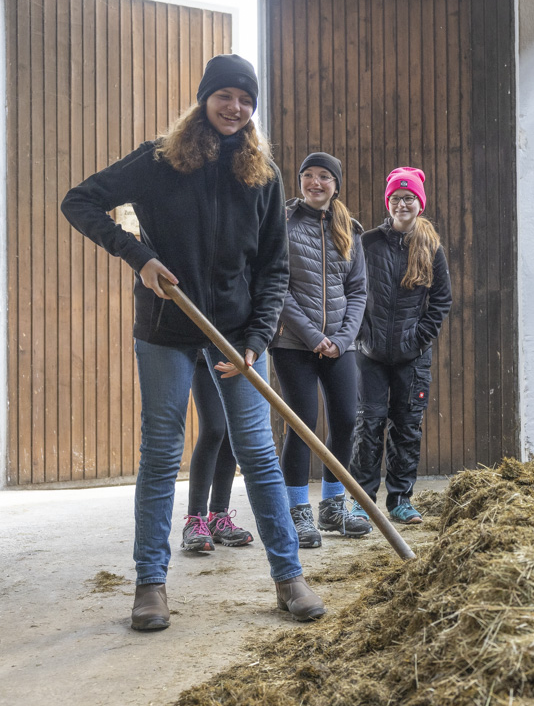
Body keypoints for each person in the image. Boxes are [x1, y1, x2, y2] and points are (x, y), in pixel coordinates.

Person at [61, 53, 324, 631]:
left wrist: (256, 339)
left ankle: (289, 576)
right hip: (167, 325)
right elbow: (78, 200)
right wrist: (140, 256)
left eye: (246, 99)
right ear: (205, 98)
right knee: (160, 451)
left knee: (256, 449)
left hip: (234, 334)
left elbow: (274, 270)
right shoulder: (160, 159)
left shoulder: (263, 174)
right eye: (225, 95)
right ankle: (149, 585)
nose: (235, 108)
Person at [270, 152, 371, 548]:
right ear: (299, 181)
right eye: (308, 175)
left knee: (346, 419)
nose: (315, 182)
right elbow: (278, 286)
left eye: (324, 177)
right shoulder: (282, 223)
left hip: (340, 346)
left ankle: (332, 506)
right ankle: (297, 512)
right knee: (303, 424)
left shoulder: (351, 229)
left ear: (336, 184)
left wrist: (343, 340)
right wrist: (314, 337)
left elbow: (358, 290)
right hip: (294, 343)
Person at [348, 167, 452, 526]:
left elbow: (442, 300)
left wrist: (419, 338)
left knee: (407, 427)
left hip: (412, 357)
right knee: (368, 425)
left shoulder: (430, 246)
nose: (402, 203)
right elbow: (353, 291)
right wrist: (362, 334)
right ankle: (362, 502)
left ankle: (400, 500)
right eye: (396, 198)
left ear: (419, 204)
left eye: (409, 198)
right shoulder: (368, 243)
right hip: (370, 355)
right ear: (388, 203)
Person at [180, 357, 254, 551]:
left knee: (231, 432)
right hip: (203, 356)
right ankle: (195, 519)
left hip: (234, 357)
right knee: (213, 429)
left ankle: (219, 518)